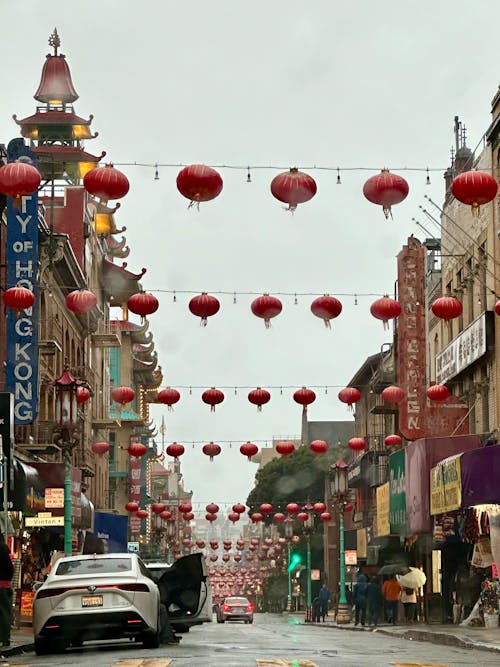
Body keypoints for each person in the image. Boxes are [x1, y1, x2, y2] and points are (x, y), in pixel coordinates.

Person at [0, 533, 13, 648]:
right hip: (4, 586)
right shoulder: (4, 551)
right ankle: (5, 638)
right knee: (5, 612)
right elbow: (10, 569)